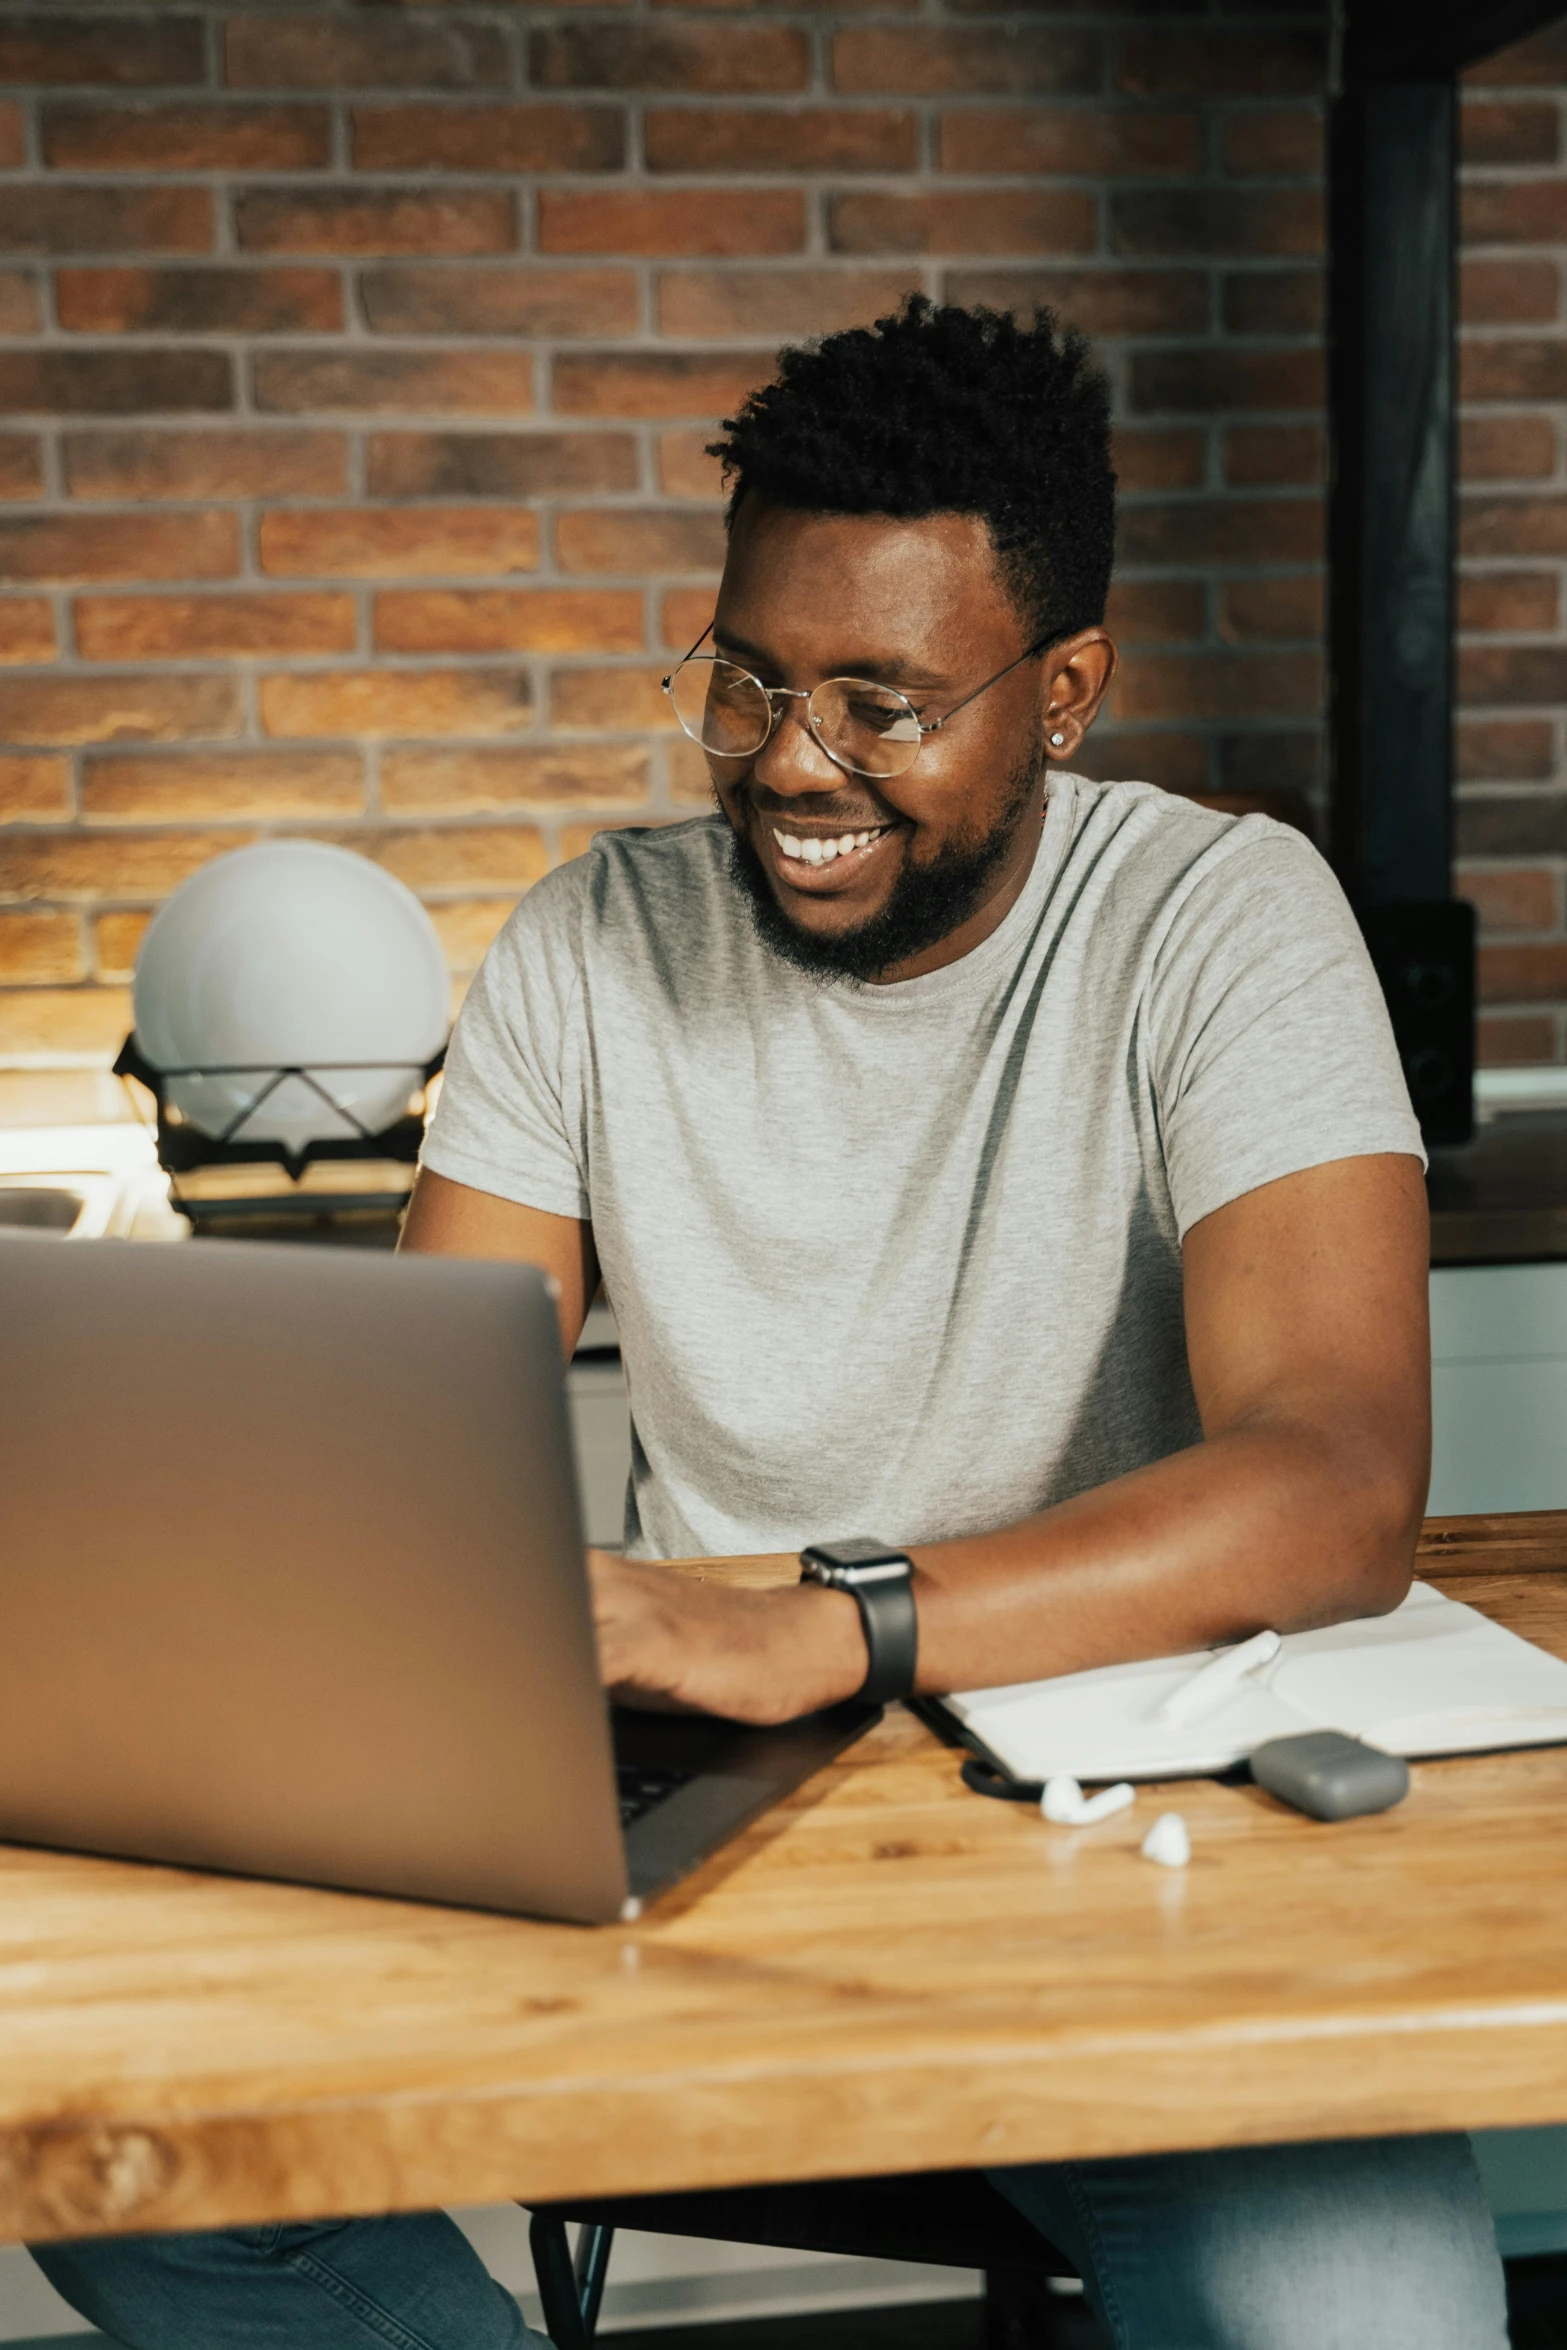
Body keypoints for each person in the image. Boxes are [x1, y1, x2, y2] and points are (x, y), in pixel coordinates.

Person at [33, 299, 1508, 2349]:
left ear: (1065, 692)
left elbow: (1336, 1484)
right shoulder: (588, 944)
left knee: (1382, 2313)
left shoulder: (1225, 921)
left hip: (1130, 1865)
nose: (793, 765)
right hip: (714, 1861)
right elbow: (389, 1484)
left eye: (882, 702)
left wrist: (819, 1616)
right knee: (130, 2158)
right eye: (747, 682)